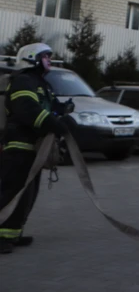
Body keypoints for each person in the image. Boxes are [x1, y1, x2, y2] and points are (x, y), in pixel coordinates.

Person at [0, 43, 70, 254]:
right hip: (18, 146)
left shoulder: (40, 84)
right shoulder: (23, 81)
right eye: (46, 56)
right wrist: (54, 124)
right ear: (33, 58)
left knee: (28, 193)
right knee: (13, 192)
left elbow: (47, 106)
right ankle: (1, 236)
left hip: (34, 148)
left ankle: (13, 234)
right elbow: (27, 110)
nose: (50, 59)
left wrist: (63, 111)